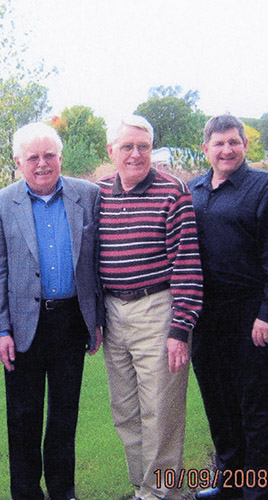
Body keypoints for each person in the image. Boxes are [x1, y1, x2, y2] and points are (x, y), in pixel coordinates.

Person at [0, 122, 103, 500]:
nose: (42, 164)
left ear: (60, 157)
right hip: (23, 326)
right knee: (22, 417)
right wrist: (1, 329)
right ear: (18, 161)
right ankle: (25, 492)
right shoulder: (1, 203)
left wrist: (96, 319)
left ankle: (62, 491)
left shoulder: (88, 195)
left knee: (64, 415)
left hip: (71, 321)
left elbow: (96, 262)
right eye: (33, 157)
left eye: (49, 155)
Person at [97, 115, 203, 500]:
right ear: (111, 151)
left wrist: (179, 330)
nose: (136, 154)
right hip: (113, 312)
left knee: (161, 410)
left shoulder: (173, 192)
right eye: (127, 147)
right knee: (125, 411)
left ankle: (161, 494)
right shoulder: (101, 193)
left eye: (143, 146)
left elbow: (188, 263)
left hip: (157, 308)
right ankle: (145, 488)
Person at [189, 115, 268, 500]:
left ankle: (257, 488)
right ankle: (229, 481)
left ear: (245, 145)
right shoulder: (194, 189)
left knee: (254, 406)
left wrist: (266, 313)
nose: (227, 149)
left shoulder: (262, 188)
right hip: (205, 317)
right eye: (218, 143)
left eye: (233, 142)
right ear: (205, 149)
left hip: (250, 316)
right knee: (217, 403)